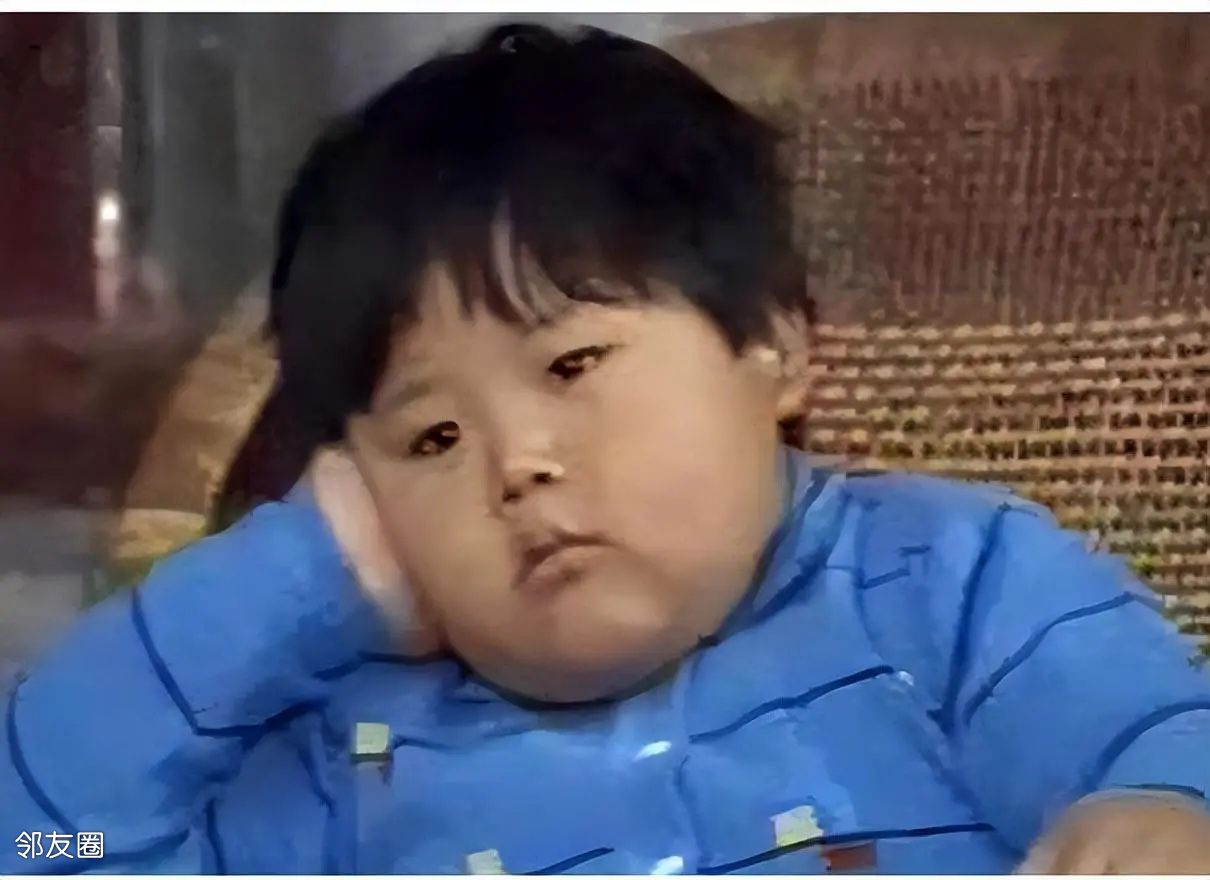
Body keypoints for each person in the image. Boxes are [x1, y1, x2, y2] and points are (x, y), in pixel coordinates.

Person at [4, 22, 1210, 875]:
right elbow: (45, 844)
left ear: (773, 346)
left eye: (572, 364)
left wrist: (1164, 810)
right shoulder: (353, 758)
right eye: (431, 437)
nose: (515, 464)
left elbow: (1142, 732)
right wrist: (307, 571)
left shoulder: (948, 588)